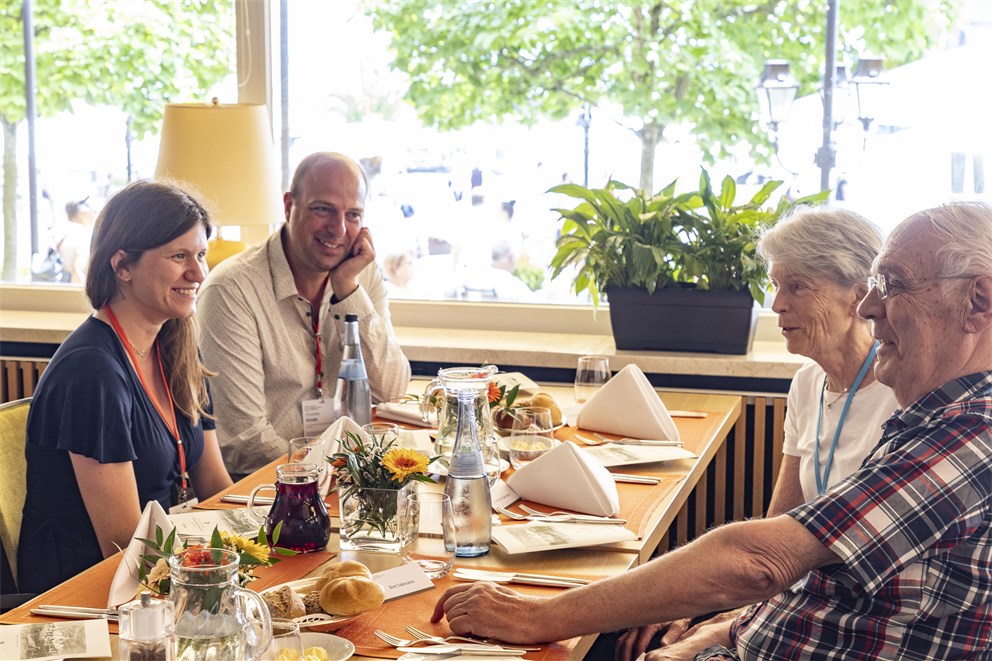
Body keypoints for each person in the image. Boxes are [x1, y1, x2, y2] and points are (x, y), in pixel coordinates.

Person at [432, 201, 992, 659]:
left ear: (978, 301)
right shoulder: (933, 413)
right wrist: (723, 624)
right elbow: (786, 554)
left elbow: (761, 561)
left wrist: (538, 617)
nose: (872, 306)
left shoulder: (972, 433)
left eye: (891, 284)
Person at [615, 207, 900, 660]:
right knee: (637, 637)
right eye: (776, 285)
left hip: (845, 615)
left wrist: (725, 624)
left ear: (858, 295)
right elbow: (773, 535)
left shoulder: (899, 396)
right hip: (788, 598)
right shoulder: (809, 383)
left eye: (798, 286)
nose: (777, 304)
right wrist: (695, 604)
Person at [17, 181, 233, 594]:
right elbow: (124, 545)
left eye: (201, 254)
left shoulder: (177, 344)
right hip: (91, 593)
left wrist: (257, 542)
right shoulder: (91, 373)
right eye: (179, 256)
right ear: (122, 266)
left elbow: (214, 484)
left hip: (170, 566)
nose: (198, 273)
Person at [197, 152, 411, 478]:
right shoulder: (230, 290)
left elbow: (393, 389)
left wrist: (348, 291)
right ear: (288, 206)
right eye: (323, 209)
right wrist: (329, 477)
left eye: (353, 215)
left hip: (350, 479)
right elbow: (244, 442)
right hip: (270, 490)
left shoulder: (361, 275)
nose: (338, 229)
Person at [59, 197, 97, 283]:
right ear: (80, 213)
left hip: (49, 285)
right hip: (68, 285)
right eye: (91, 210)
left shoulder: (59, 229)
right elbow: (77, 268)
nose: (93, 213)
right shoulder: (82, 234)